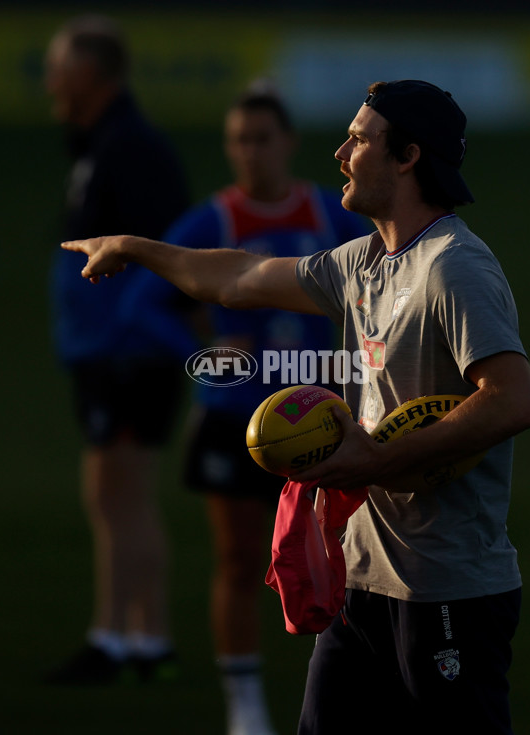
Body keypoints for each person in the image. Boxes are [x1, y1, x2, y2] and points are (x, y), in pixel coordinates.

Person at [61, 79, 530, 733]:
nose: (340, 153)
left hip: (447, 587)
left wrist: (373, 459)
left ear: (407, 156)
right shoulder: (363, 261)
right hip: (365, 581)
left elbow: (514, 400)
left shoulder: (453, 268)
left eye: (359, 140)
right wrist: (137, 248)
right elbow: (238, 279)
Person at [129, 88, 369, 735]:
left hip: (322, 414)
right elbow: (143, 301)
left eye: (262, 137)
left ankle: (357, 687)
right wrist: (204, 351)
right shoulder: (215, 221)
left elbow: (384, 276)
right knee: (238, 560)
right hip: (234, 416)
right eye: (238, 139)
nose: (250, 151)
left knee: (350, 561)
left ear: (289, 142)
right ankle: (247, 707)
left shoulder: (328, 212)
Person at [44, 15, 192, 684]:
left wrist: (147, 334)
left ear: (89, 75)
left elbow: (167, 253)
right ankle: (133, 635)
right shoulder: (102, 142)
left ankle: (132, 636)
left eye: (59, 69)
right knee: (114, 490)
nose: (49, 81)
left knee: (123, 489)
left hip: (130, 354)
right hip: (111, 351)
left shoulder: (130, 148)